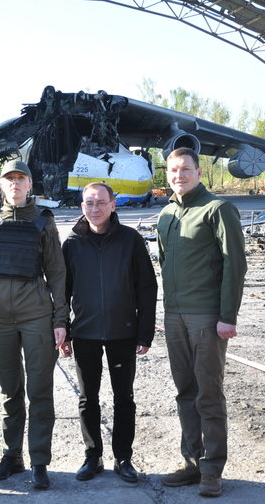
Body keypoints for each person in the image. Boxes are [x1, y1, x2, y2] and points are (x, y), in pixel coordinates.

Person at [157, 148, 247, 498]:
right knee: (185, 392)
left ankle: (212, 470)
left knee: (208, 394)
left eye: (185, 169)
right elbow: (164, 264)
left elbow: (234, 265)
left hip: (207, 316)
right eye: (173, 170)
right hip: (174, 316)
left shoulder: (218, 209)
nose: (179, 175)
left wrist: (228, 316)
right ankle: (191, 462)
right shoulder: (166, 213)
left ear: (199, 171)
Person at [0, 159, 68, 490]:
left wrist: (60, 319)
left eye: (21, 178)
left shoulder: (44, 221)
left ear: (31, 184)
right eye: (9, 179)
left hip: (36, 315)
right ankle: (12, 456)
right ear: (1, 185)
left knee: (39, 390)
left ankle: (39, 461)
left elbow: (57, 272)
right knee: (9, 389)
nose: (15, 183)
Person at [61, 182, 157, 484]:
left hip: (122, 332)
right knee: (88, 399)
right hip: (85, 332)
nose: (95, 208)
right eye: (89, 203)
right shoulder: (72, 243)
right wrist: (64, 330)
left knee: (123, 398)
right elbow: (62, 291)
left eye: (101, 202)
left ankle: (123, 457)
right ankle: (93, 456)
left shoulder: (130, 240)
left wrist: (145, 332)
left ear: (113, 205)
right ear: (82, 207)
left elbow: (147, 288)